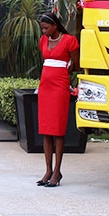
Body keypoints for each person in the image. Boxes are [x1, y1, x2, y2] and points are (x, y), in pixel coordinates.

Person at [36, 12, 80, 188]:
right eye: (42, 28)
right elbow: (45, 61)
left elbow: (76, 64)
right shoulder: (43, 41)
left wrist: (63, 73)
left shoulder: (69, 40)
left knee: (58, 130)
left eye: (47, 28)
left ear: (55, 25)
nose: (44, 31)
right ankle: (48, 170)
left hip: (60, 87)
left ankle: (57, 171)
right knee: (46, 129)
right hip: (45, 86)